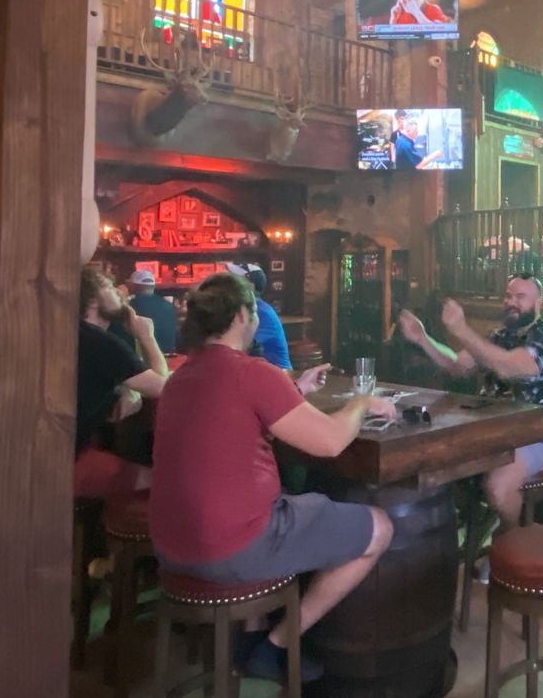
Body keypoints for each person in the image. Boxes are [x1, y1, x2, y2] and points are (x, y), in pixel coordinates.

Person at [149, 272, 395, 683]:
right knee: (380, 528)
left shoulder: (179, 379)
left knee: (266, 497)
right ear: (244, 314)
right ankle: (276, 645)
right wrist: (361, 403)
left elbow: (233, 420)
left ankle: (250, 636)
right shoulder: (252, 372)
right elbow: (331, 442)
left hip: (170, 546)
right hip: (230, 549)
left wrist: (294, 390)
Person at [396, 275, 543, 526]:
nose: (511, 302)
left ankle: (512, 545)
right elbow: (457, 365)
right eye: (508, 296)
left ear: (538, 302)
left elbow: (509, 367)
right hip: (490, 429)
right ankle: (462, 540)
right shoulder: (498, 336)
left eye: (520, 297)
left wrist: (461, 329)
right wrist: (422, 338)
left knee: (497, 488)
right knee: (434, 462)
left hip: (535, 435)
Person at [75, 267, 170, 498]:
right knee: (164, 482)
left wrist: (128, 389)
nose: (120, 293)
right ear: (93, 301)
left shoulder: (81, 334)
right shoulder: (100, 342)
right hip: (68, 462)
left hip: (54, 450)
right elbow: (162, 386)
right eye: (109, 287)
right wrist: (146, 335)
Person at [228, 262, 290, 370]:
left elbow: (237, 347)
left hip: (278, 374)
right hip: (258, 371)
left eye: (235, 280)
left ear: (251, 287)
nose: (228, 284)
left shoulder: (262, 312)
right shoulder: (243, 308)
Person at [124, 268, 180, 355]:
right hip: (170, 355)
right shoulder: (169, 305)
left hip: (146, 357)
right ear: (154, 287)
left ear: (133, 286)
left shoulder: (130, 306)